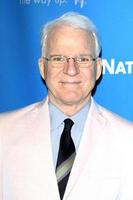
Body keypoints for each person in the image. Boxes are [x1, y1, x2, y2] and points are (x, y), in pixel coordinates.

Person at [0, 12, 133, 200]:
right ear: (42, 67)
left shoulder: (128, 141)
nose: (71, 69)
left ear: (98, 68)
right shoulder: (3, 132)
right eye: (58, 58)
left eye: (83, 59)